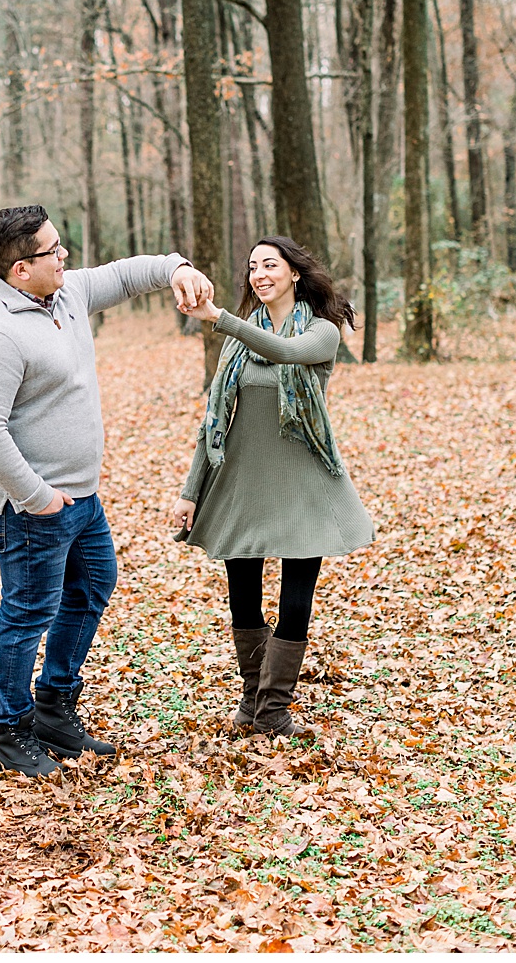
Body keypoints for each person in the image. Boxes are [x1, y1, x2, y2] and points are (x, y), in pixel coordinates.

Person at [0, 205, 213, 778]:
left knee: (95, 583)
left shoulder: (65, 294)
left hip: (80, 499)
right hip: (28, 508)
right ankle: (8, 731)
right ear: (21, 270)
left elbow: (125, 275)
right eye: (53, 250)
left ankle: (53, 706)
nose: (65, 255)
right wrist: (36, 495)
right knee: (27, 615)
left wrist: (177, 268)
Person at [172, 235, 373, 737]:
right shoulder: (241, 339)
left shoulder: (323, 333)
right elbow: (214, 419)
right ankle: (252, 700)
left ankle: (275, 709)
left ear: (294, 273)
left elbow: (285, 352)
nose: (259, 274)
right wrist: (190, 490)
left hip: (301, 481)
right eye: (252, 266)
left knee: (295, 598)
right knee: (242, 595)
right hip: (241, 479)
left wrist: (221, 319)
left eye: (270, 265)